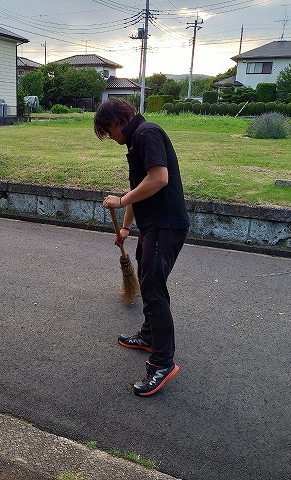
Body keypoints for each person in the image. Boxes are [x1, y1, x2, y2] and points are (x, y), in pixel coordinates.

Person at [95, 98, 190, 397]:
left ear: (116, 122)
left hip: (166, 225)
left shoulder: (147, 133)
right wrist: (125, 227)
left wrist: (121, 201)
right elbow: (138, 190)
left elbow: (159, 179)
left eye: (107, 131)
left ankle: (163, 363)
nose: (110, 138)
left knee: (153, 290)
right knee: (148, 280)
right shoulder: (135, 143)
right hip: (153, 226)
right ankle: (149, 336)